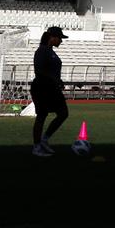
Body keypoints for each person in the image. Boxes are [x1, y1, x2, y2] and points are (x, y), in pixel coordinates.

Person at [30, 26, 70, 157]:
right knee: (41, 116)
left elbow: (51, 71)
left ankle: (44, 140)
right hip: (42, 88)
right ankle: (37, 147)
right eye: (59, 38)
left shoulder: (50, 51)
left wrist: (59, 81)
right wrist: (55, 79)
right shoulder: (42, 51)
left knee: (63, 113)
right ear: (52, 38)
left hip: (52, 88)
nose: (61, 41)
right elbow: (39, 71)